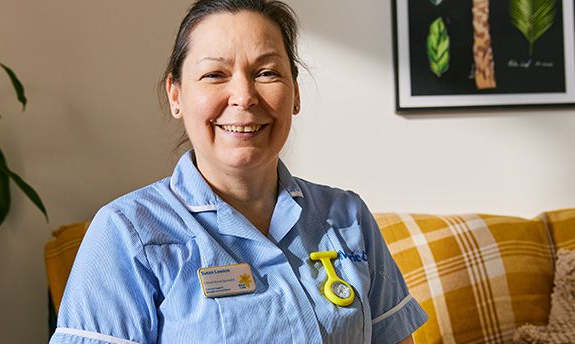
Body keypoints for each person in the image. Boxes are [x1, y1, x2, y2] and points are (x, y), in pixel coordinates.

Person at [50, 0, 427, 343]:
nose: (244, 96)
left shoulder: (346, 215)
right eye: (215, 74)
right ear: (176, 94)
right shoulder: (127, 232)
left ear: (295, 93)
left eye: (266, 73)